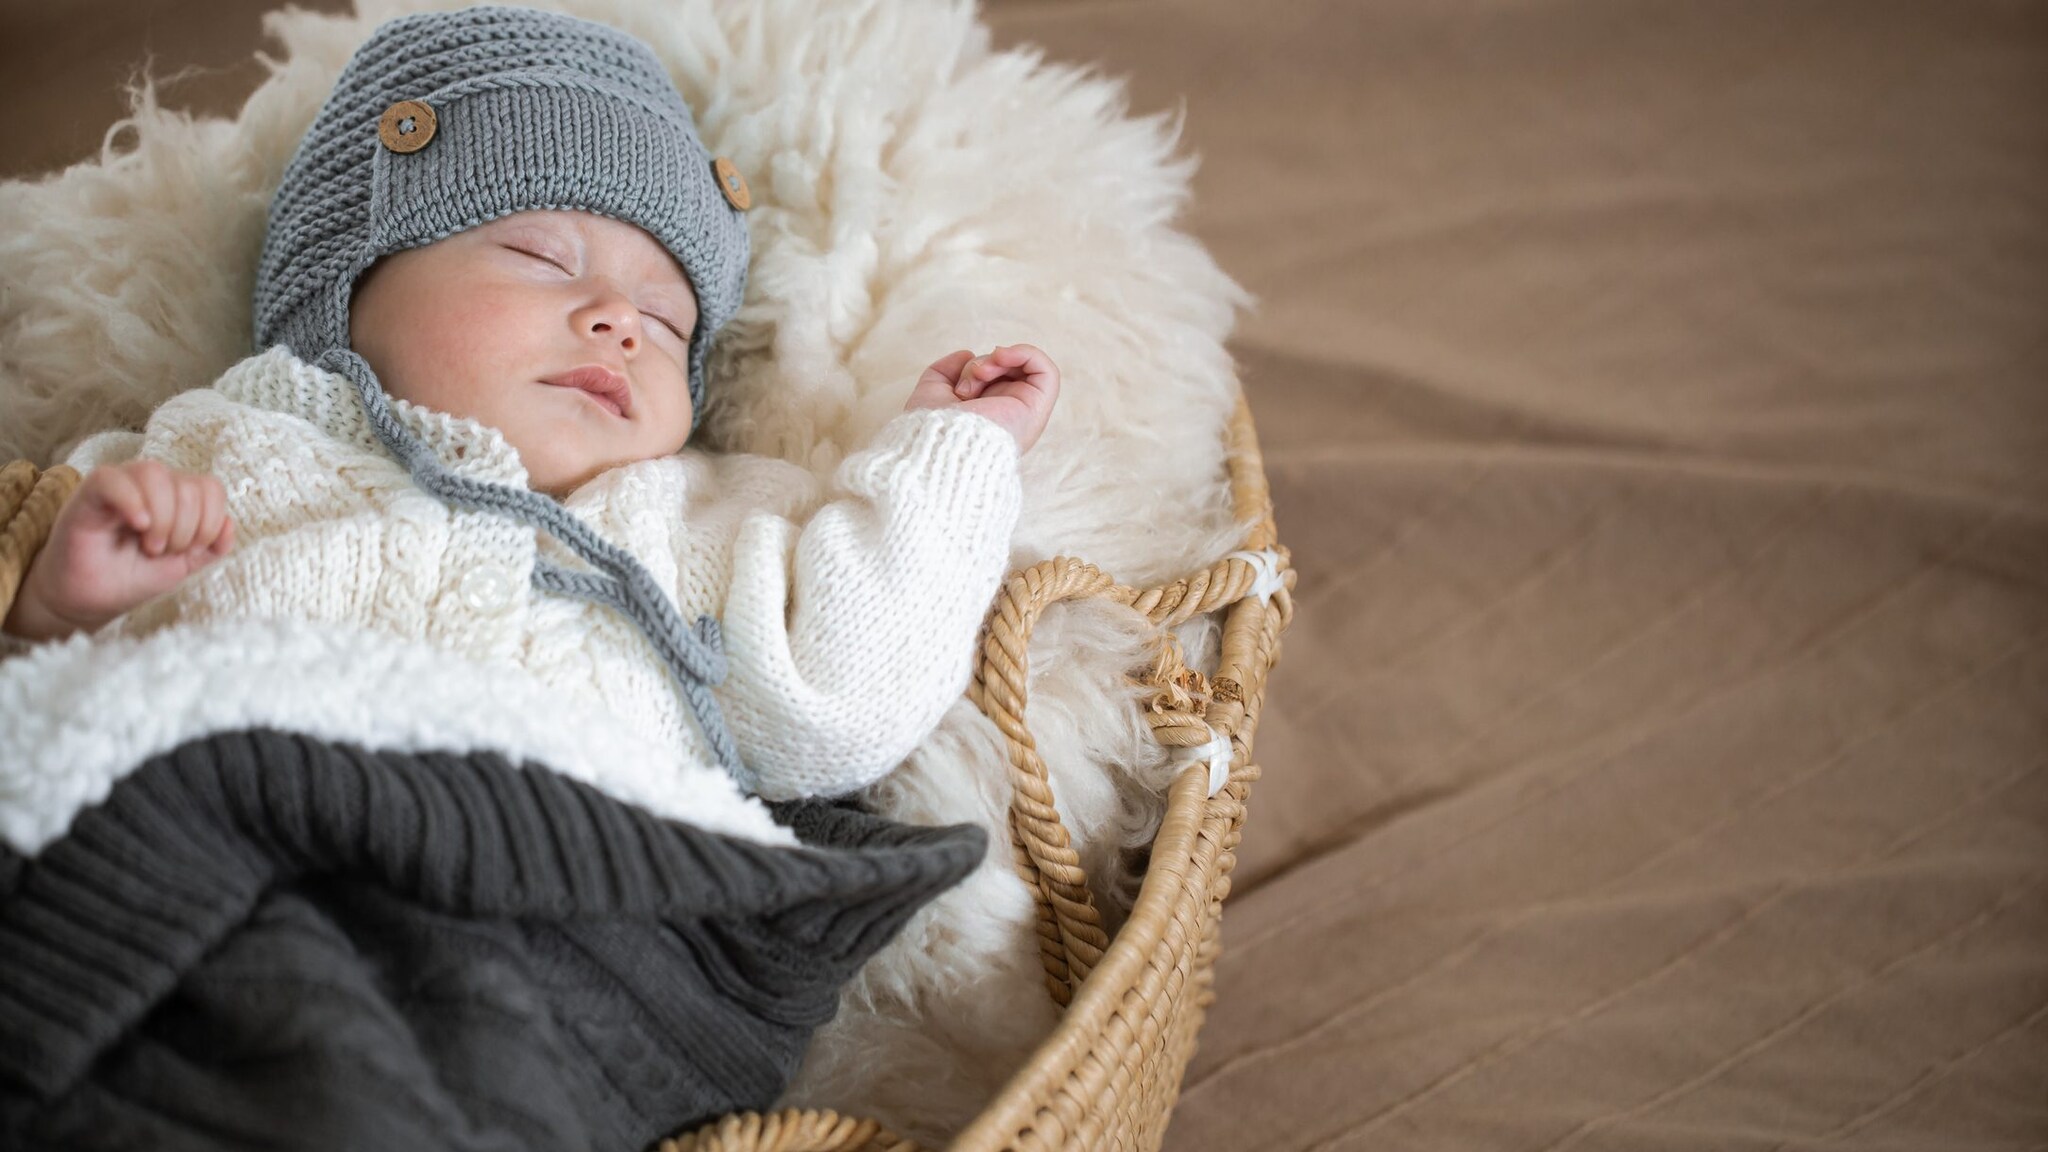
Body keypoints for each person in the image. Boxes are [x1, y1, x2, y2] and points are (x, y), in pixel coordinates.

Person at [0, 5, 1058, 802]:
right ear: (348, 282)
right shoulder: (211, 452)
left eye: (668, 319)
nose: (620, 321)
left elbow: (844, 704)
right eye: (539, 256)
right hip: (203, 839)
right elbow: (39, 717)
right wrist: (58, 607)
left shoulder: (696, 523)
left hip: (557, 909)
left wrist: (953, 452)